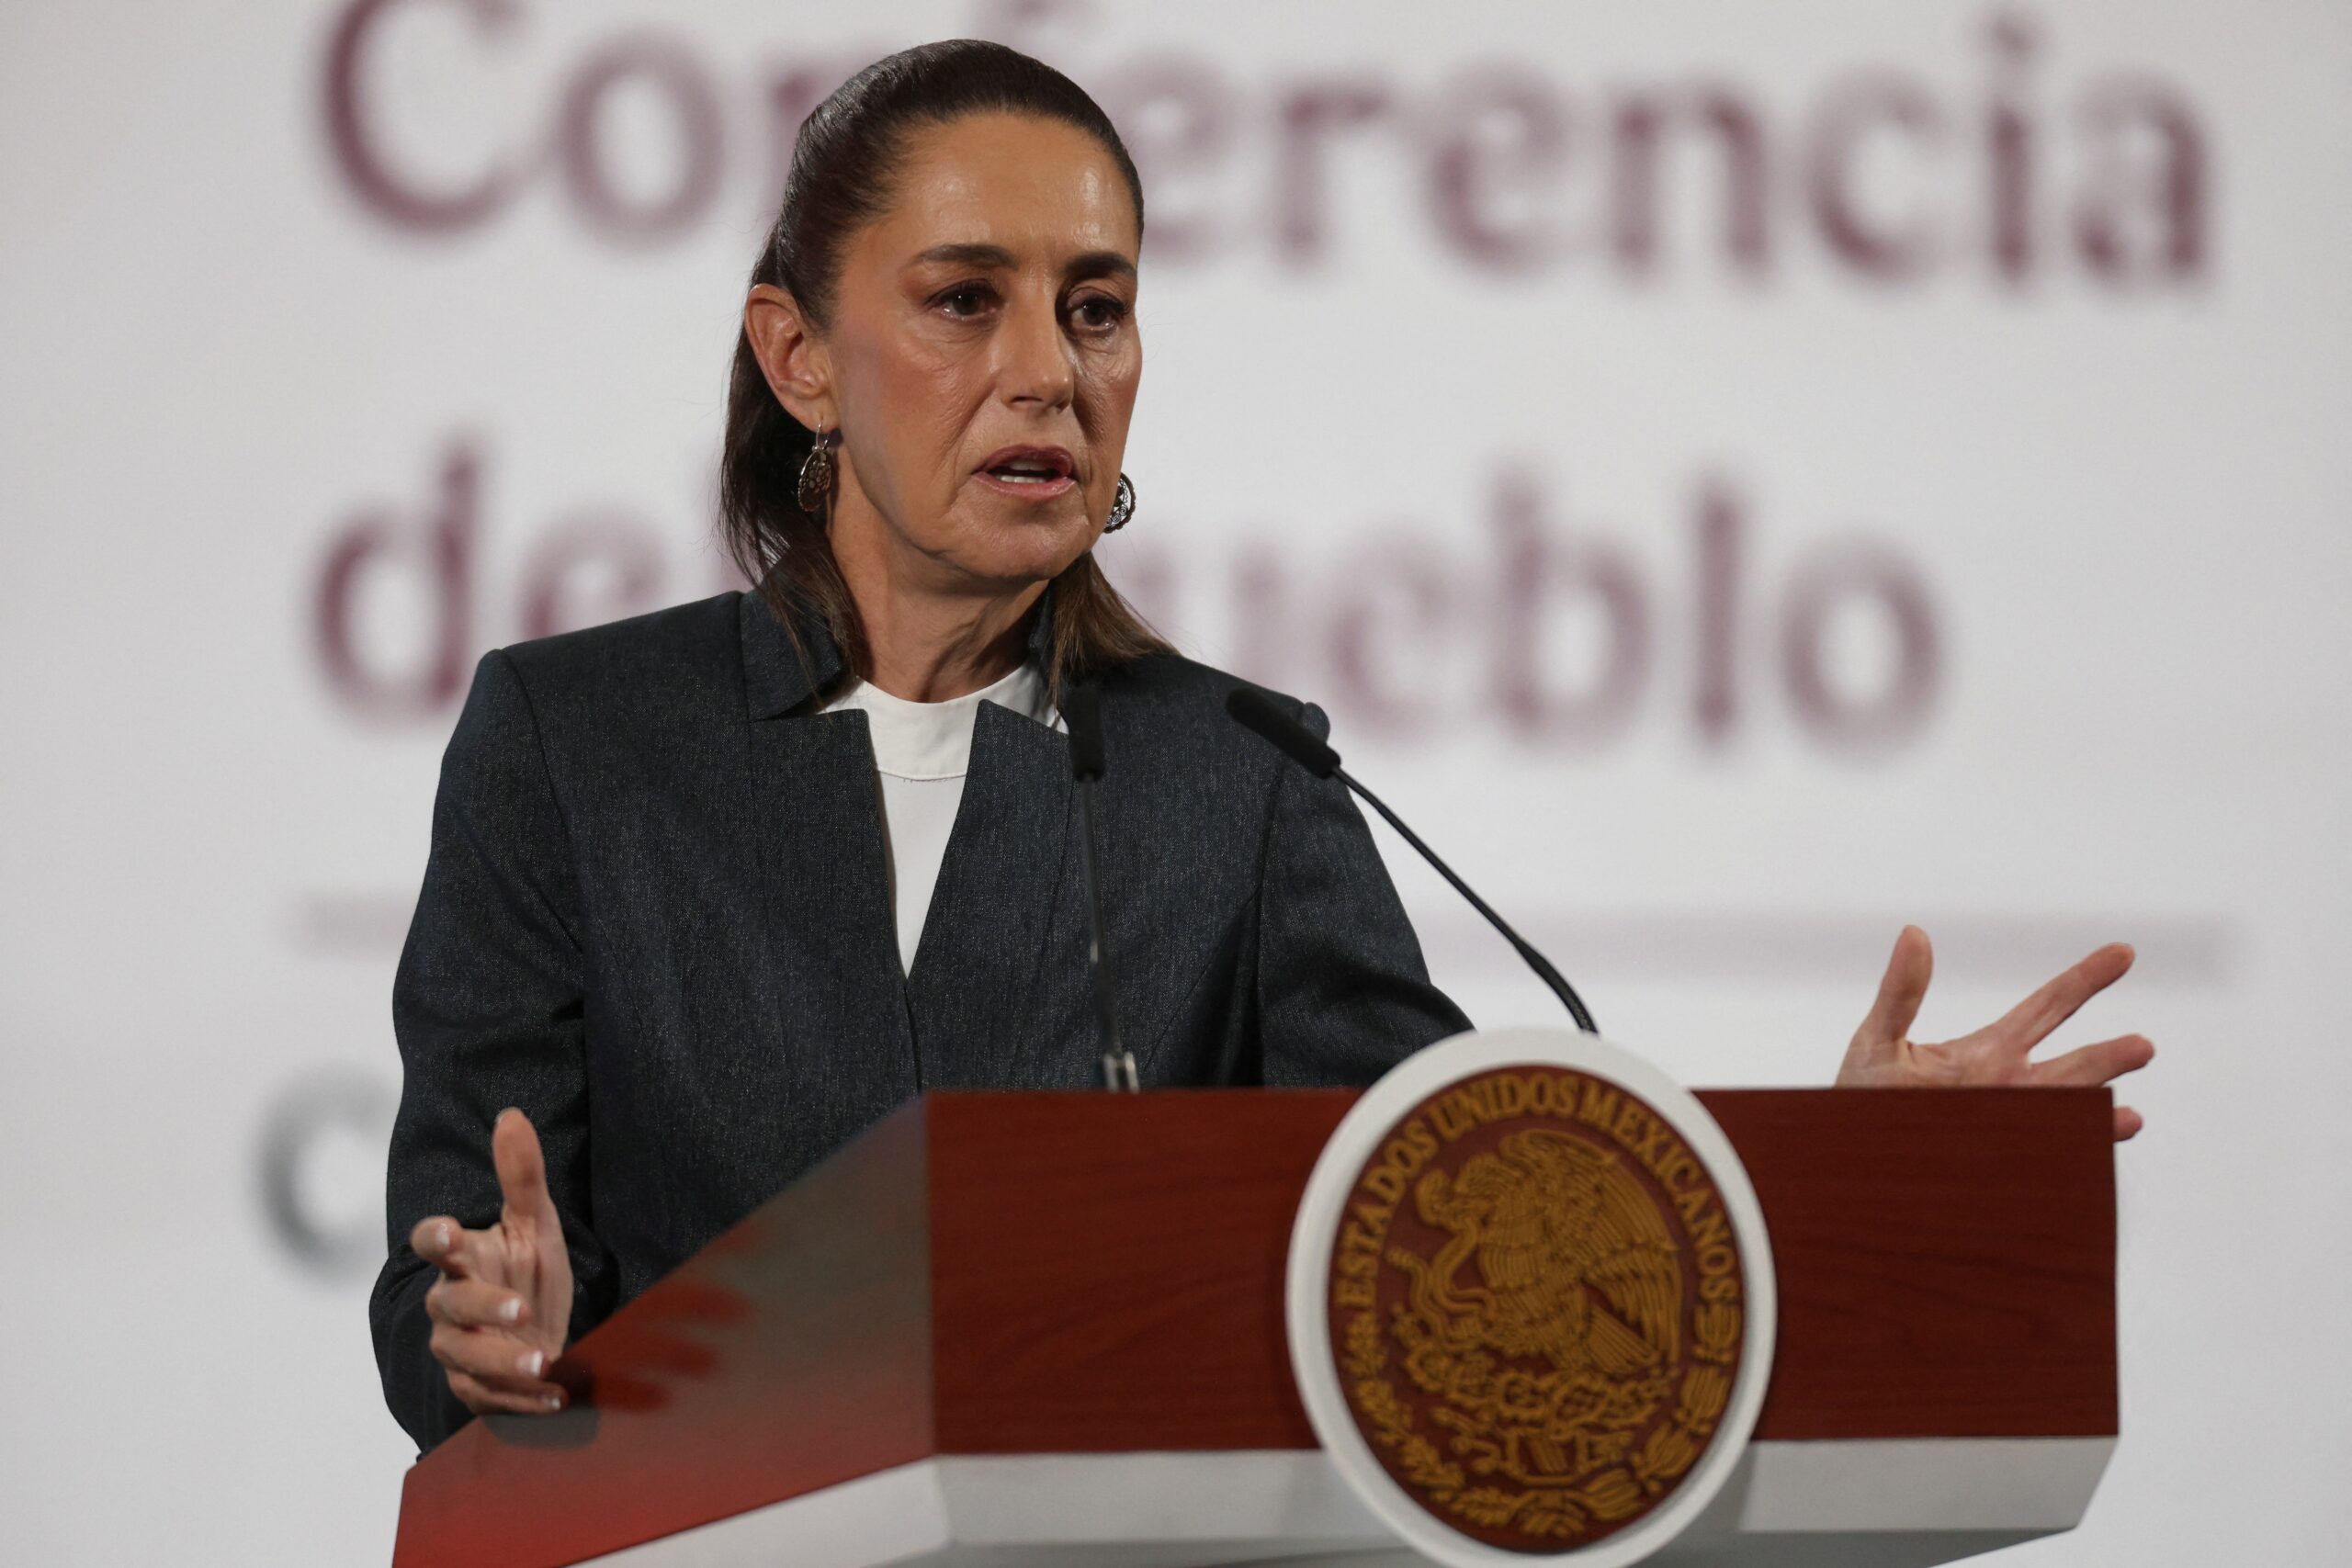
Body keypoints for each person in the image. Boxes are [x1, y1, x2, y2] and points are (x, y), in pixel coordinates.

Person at [369, 39, 2155, 1454]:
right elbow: (442, 1279)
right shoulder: (578, 743)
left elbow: (1466, 1226)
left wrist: (1832, 1184)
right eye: (963, 298)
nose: (1049, 371)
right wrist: (491, 1327)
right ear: (800, 357)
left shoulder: (1234, 777)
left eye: (1095, 306)